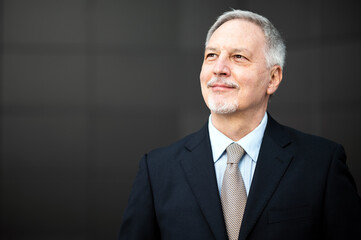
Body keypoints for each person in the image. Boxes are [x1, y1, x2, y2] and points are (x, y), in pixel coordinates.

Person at [118, 9, 361, 240]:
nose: (219, 68)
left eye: (238, 57)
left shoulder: (321, 164)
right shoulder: (157, 171)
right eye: (211, 55)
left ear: (273, 78)